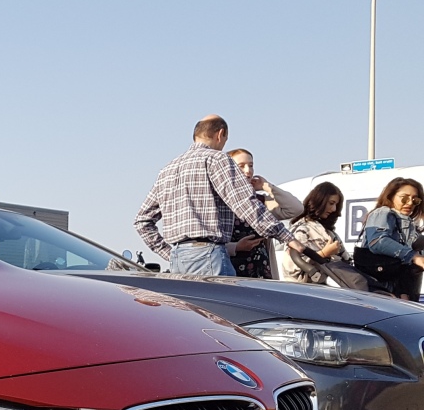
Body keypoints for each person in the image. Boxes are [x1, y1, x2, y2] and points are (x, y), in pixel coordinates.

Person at [135, 115, 311, 277]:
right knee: (221, 310)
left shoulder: (167, 170)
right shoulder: (217, 159)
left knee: (191, 311)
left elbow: (142, 221)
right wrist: (288, 238)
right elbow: (245, 204)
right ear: (220, 134)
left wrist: (169, 253)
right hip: (209, 255)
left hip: (178, 259)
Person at [224, 148, 304, 279]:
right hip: (230, 269)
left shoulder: (260, 201)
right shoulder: (220, 202)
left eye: (251, 165)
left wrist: (267, 187)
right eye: (241, 166)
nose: (248, 171)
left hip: (260, 268)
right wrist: (236, 247)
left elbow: (296, 208)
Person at [279, 183, 368, 290]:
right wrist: (324, 253)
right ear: (319, 201)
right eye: (331, 203)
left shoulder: (328, 231)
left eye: (336, 204)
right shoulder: (302, 229)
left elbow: (347, 262)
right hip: (311, 292)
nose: (334, 209)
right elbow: (292, 271)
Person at [353, 177, 424, 299]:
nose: (410, 203)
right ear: (391, 196)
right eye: (404, 198)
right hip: (380, 288)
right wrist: (413, 256)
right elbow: (377, 241)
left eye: (415, 200)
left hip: (399, 289)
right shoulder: (382, 213)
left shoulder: (409, 223)